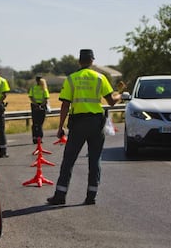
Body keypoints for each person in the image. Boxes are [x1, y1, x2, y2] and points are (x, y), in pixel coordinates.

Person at [47, 49, 123, 205]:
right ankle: (91, 196)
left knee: (69, 160)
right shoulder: (100, 78)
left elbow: (65, 104)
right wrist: (120, 94)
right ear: (92, 61)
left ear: (79, 61)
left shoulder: (72, 79)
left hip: (78, 123)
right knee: (95, 160)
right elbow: (111, 102)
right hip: (96, 123)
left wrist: (60, 127)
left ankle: (60, 195)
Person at [28, 75, 50, 144]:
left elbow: (31, 97)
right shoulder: (44, 89)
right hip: (42, 106)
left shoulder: (33, 88)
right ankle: (39, 138)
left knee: (35, 123)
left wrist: (36, 104)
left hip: (34, 106)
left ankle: (34, 137)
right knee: (40, 123)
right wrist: (41, 105)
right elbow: (46, 98)